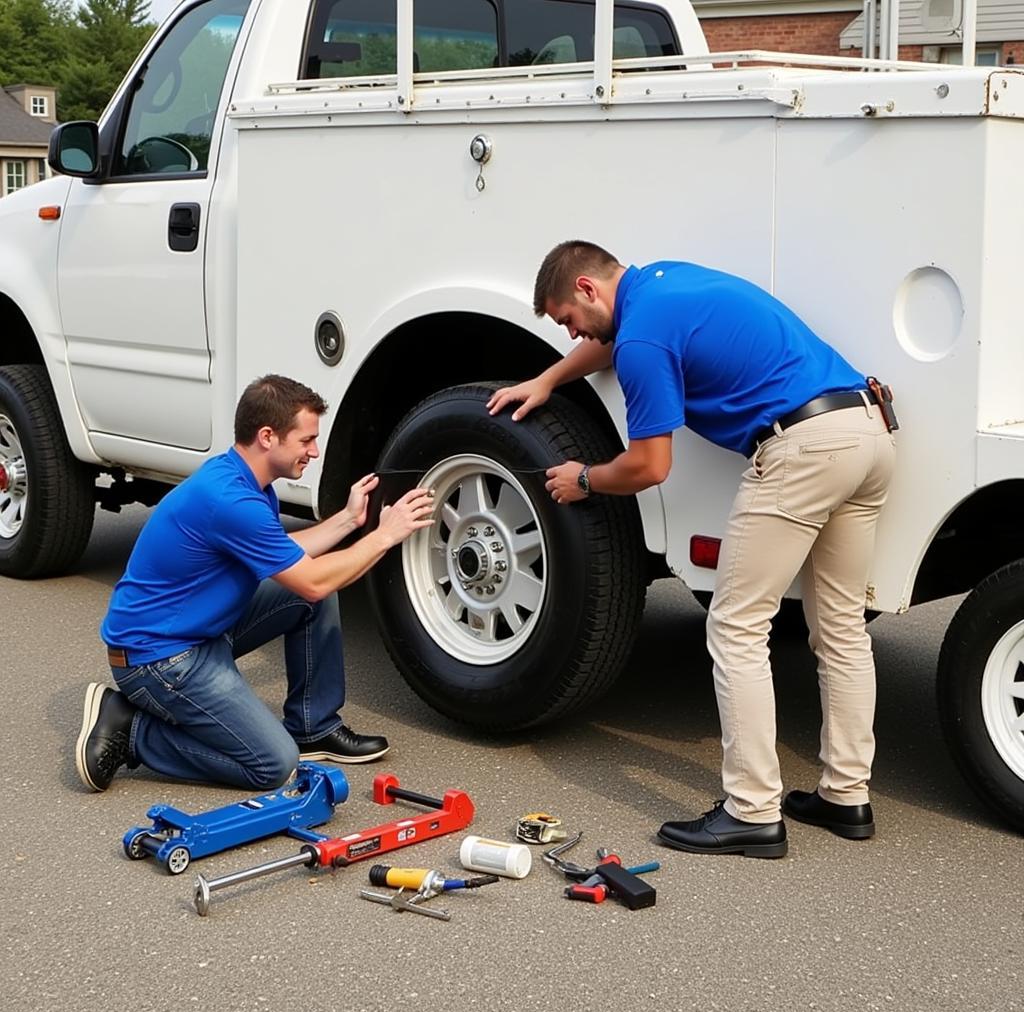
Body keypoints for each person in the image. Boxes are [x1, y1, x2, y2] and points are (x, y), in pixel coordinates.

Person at [488, 241, 897, 858]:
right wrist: (547, 380)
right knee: (839, 628)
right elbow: (609, 341)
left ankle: (753, 812)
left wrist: (585, 479)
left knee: (735, 627)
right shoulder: (659, 281)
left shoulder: (640, 342)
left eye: (567, 321)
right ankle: (846, 794)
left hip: (803, 451)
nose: (570, 335)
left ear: (588, 291)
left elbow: (650, 465)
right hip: (866, 434)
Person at [76, 374, 434, 793]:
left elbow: (280, 552)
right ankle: (133, 730)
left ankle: (312, 726)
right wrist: (384, 536)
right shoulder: (230, 500)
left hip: (199, 633)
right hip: (158, 660)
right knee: (274, 766)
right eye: (306, 440)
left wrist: (349, 521)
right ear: (268, 436)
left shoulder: (246, 481)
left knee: (308, 597)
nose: (315, 452)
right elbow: (313, 580)